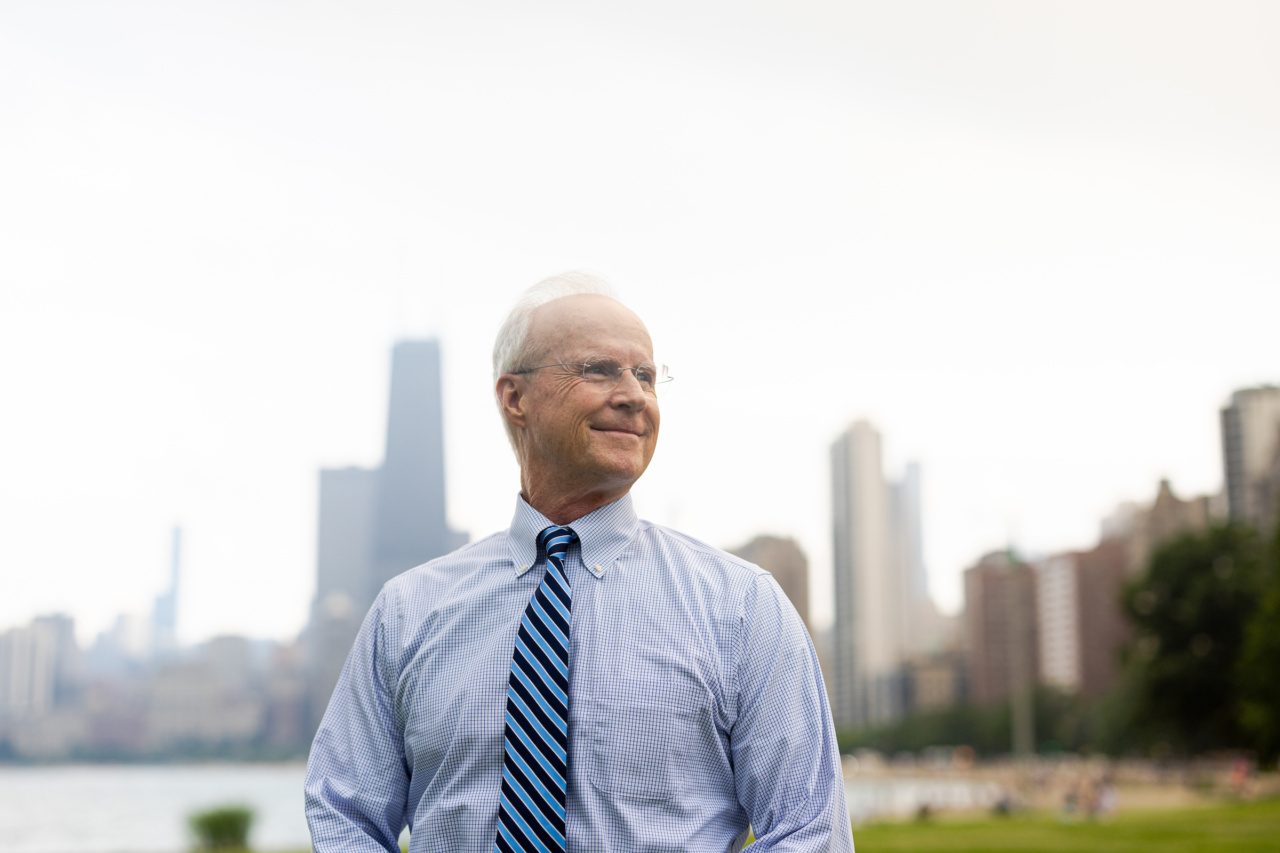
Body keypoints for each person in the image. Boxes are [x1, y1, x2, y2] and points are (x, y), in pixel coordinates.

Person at [305, 272, 853, 852]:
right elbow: (344, 810)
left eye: (645, 375)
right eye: (599, 369)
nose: (634, 395)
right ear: (515, 397)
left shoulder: (743, 606)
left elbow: (808, 830)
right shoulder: (407, 611)